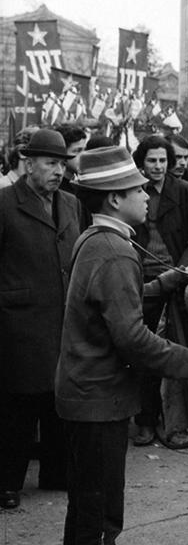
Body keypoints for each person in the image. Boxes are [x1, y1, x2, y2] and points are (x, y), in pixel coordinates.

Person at [55, 145, 188, 544]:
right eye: (138, 190)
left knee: (89, 503)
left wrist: (171, 279)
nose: (148, 197)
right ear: (115, 198)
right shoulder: (114, 251)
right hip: (98, 398)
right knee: (98, 511)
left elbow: (117, 303)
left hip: (87, 393)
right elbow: (130, 335)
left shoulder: (97, 240)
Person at [0, 129, 81, 510]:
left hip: (62, 316)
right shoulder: (4, 203)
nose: (58, 171)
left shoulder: (70, 203)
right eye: (50, 163)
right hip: (18, 322)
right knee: (18, 405)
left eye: (62, 164)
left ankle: (55, 473)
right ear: (28, 164)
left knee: (56, 399)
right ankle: (6, 482)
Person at [130, 135, 188, 448]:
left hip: (177, 281)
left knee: (176, 353)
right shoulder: (133, 192)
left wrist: (180, 272)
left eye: (163, 160)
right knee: (144, 355)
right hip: (143, 283)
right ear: (142, 162)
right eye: (152, 161)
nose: (158, 167)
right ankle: (146, 421)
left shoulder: (185, 191)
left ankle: (176, 424)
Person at [54, 125, 88, 195]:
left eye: (84, 150)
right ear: (62, 152)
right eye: (77, 151)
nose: (84, 155)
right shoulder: (55, 188)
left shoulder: (77, 185)